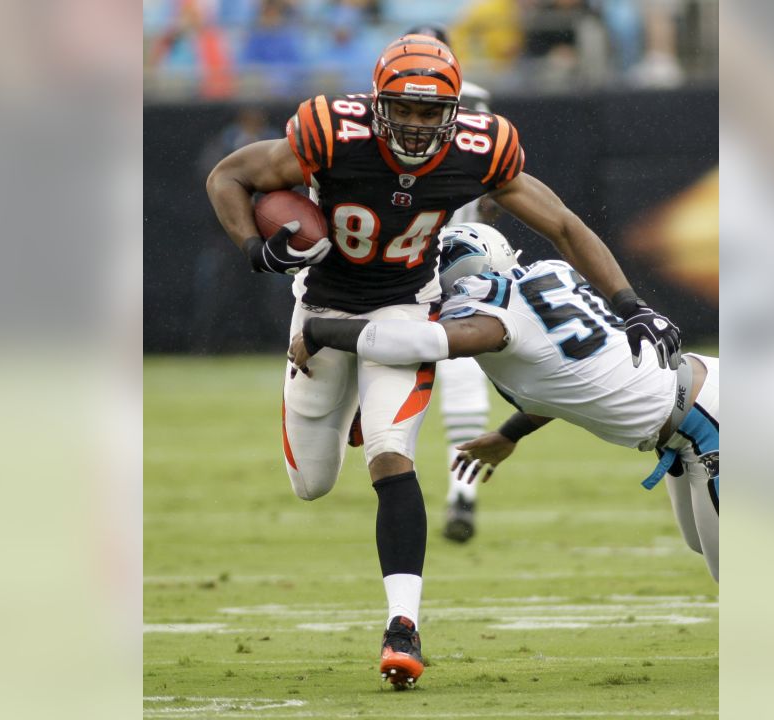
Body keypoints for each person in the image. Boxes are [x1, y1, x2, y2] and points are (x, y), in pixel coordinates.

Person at [206, 34, 682, 689]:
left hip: (407, 302)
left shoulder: (482, 149)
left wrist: (630, 303)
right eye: (404, 108)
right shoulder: (328, 134)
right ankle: (349, 406)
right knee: (311, 483)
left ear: (455, 112)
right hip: (320, 297)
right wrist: (255, 250)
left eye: (433, 113)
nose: (418, 124)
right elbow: (226, 175)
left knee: (391, 455)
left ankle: (402, 629)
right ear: (375, 104)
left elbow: (565, 225)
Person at [288, 223, 719, 582]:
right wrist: (511, 433)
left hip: (708, 423)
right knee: (699, 542)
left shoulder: (494, 317)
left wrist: (320, 332)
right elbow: (568, 382)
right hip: (692, 412)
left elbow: (424, 341)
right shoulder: (548, 274)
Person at [405, 23, 498, 544]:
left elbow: (500, 186)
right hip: (401, 252)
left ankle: (461, 493)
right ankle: (445, 491)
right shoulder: (369, 107)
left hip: (447, 248)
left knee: (460, 370)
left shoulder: (475, 105)